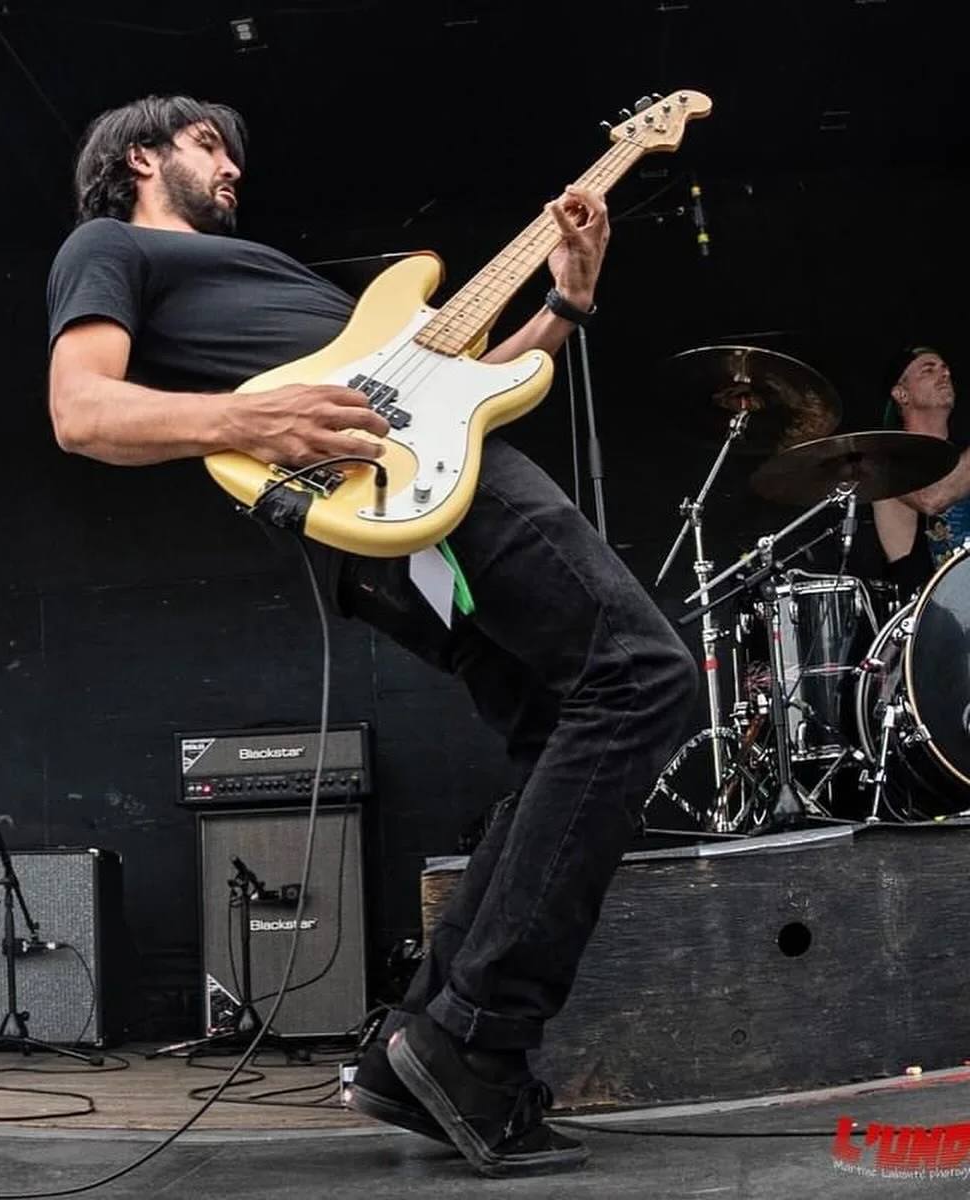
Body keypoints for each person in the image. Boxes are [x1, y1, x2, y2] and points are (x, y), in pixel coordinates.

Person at [46, 95, 697, 1177]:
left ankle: (417, 1048)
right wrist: (250, 419)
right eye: (210, 144)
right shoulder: (105, 246)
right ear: (138, 156)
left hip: (423, 487)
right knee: (643, 681)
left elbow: (471, 392)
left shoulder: (298, 286)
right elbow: (82, 412)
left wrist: (569, 305)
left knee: (562, 727)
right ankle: (474, 1039)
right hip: (379, 504)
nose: (232, 165)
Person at [872, 346, 968, 601]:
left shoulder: (964, 453)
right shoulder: (887, 460)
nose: (944, 374)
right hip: (933, 618)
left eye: (945, 368)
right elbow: (933, 499)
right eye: (929, 369)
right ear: (901, 394)